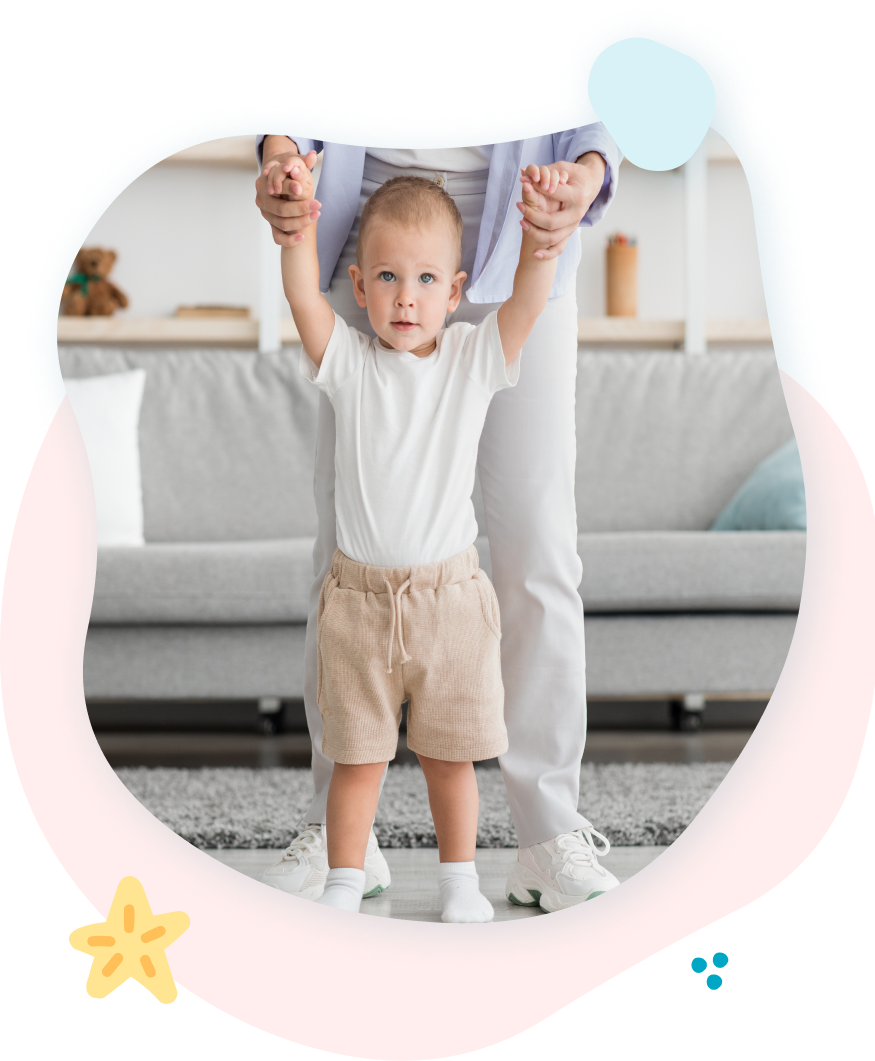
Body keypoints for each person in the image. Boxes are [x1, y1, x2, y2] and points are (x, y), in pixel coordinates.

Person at [256, 128, 622, 914]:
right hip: (360, 197)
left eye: (426, 285)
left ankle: (546, 834)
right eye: (386, 285)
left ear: (448, 291)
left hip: (520, 206)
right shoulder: (356, 325)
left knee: (538, 545)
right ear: (364, 285)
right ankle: (342, 840)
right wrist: (282, 165)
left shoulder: (476, 337)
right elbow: (299, 288)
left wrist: (577, 184)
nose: (407, 298)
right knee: (342, 542)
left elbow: (607, 77)